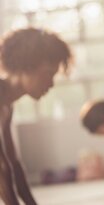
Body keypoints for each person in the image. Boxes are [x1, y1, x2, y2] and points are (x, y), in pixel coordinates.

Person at [0, 27, 73, 205]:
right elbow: (1, 169)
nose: (51, 83)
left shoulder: (7, 105)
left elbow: (13, 163)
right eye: (48, 73)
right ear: (26, 65)